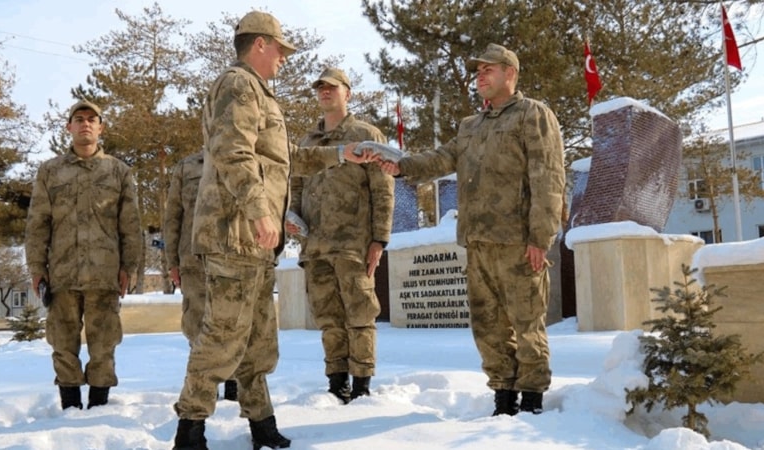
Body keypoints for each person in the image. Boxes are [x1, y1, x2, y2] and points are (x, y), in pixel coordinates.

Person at [171, 11, 373, 450]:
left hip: (254, 241)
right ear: (260, 44)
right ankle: (190, 429)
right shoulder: (238, 84)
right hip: (235, 233)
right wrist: (261, 212)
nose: (283, 58)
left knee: (258, 339)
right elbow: (233, 151)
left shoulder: (260, 94)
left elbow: (286, 161)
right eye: (280, 49)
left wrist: (343, 153)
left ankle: (260, 422)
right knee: (223, 335)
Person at [377, 43, 566, 417]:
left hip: (518, 243)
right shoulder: (470, 126)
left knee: (527, 323)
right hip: (477, 243)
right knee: (488, 327)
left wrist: (539, 238)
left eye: (488, 70)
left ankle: (531, 400)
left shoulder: (533, 115)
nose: (480, 77)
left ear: (510, 73)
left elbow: (548, 179)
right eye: (477, 72)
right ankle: (502, 396)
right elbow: (442, 159)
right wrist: (402, 167)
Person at [25, 100, 141, 410]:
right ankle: (70, 410)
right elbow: (38, 224)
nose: (85, 124)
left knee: (103, 346)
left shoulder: (118, 171)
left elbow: (130, 226)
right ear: (69, 127)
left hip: (104, 276)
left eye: (92, 119)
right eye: (79, 119)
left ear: (101, 128)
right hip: (62, 275)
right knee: (63, 345)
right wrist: (37, 269)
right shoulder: (50, 171)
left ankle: (99, 409)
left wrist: (128, 268)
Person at [287, 68, 394, 404]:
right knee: (329, 318)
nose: (324, 92)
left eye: (332, 87)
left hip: (354, 245)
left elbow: (383, 189)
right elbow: (296, 187)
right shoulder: (308, 143)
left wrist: (379, 239)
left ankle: (362, 386)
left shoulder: (365, 135)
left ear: (348, 93)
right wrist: (292, 218)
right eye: (319, 87)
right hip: (315, 246)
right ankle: (336, 384)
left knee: (360, 315)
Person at [163, 151, 239, 402]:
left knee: (234, 324)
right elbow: (173, 217)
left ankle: (233, 387)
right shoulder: (186, 167)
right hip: (193, 261)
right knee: (196, 326)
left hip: (234, 259)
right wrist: (172, 260)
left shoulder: (244, 159)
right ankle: (203, 387)